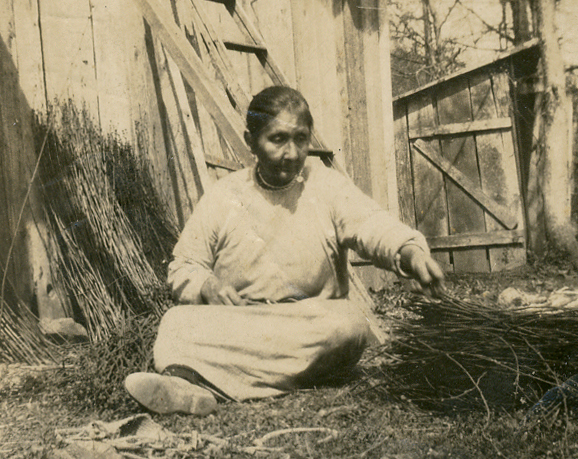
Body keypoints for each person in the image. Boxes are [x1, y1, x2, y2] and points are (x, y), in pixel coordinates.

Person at [125, 87, 444, 416]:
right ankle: (212, 383)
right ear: (251, 142)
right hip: (241, 325)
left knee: (348, 324)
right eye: (277, 139)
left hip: (307, 324)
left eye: (301, 139)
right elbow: (185, 266)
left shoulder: (326, 186)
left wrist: (411, 252)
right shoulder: (223, 196)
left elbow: (372, 225)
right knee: (175, 322)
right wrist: (207, 286)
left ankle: (201, 382)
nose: (291, 153)